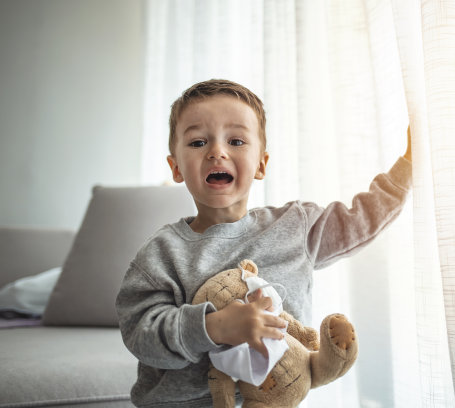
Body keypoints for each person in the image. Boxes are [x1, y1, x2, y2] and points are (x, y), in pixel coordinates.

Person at [116, 79, 412, 407]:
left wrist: (410, 164)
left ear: (261, 164)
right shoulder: (160, 254)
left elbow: (361, 219)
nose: (217, 151)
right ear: (176, 167)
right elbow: (140, 333)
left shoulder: (295, 227)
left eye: (236, 140)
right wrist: (213, 327)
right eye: (198, 142)